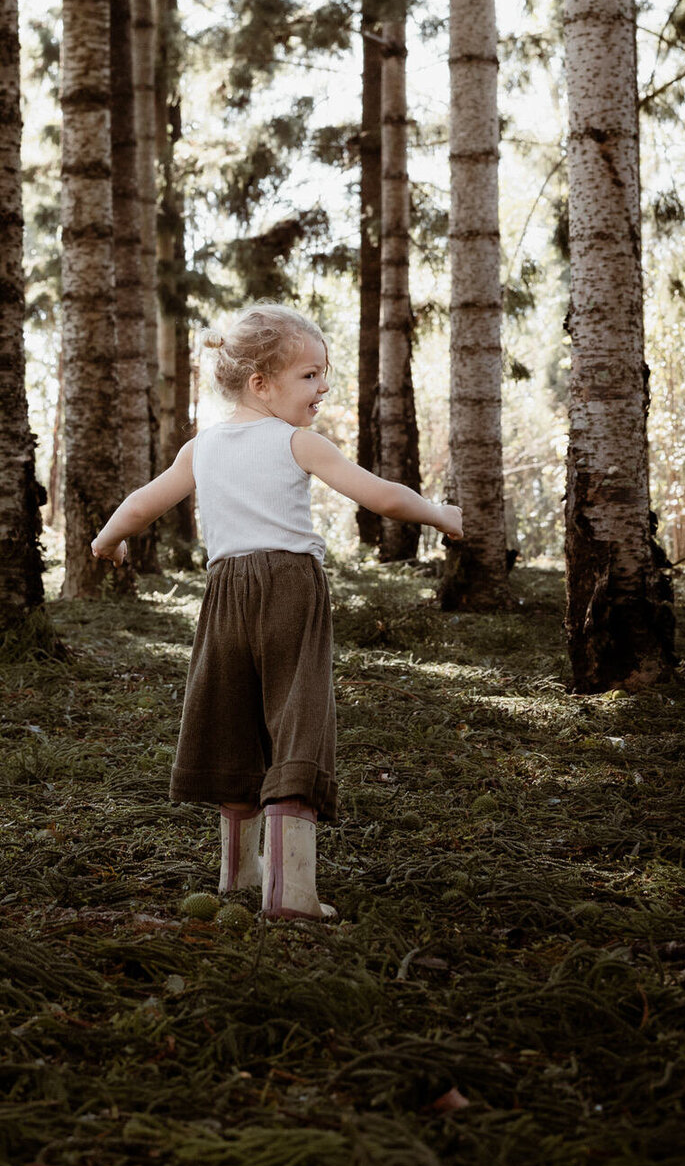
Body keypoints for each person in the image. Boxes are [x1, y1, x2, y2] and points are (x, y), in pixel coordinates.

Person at [91, 302, 463, 921]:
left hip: (225, 591)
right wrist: (441, 515)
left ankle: (238, 875)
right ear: (261, 383)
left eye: (324, 373)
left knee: (231, 716)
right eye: (310, 376)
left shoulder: (201, 448)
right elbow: (382, 497)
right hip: (290, 586)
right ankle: (291, 894)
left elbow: (139, 504)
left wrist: (108, 541)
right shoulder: (298, 442)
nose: (324, 387)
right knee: (297, 717)